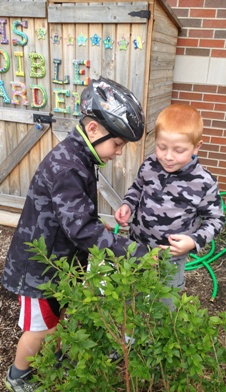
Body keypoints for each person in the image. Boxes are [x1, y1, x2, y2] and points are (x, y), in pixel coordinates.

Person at [2, 76, 149, 392]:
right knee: (38, 328)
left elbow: (73, 212)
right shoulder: (69, 164)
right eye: (118, 144)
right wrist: (134, 251)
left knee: (53, 319)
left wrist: (100, 225)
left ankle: (51, 358)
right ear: (94, 130)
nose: (118, 153)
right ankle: (18, 376)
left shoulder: (80, 156)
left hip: (57, 262)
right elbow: (80, 228)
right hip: (38, 268)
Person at [115, 103, 225, 309]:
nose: (168, 156)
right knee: (129, 295)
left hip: (170, 258)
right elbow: (137, 187)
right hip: (137, 248)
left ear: (197, 146)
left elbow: (216, 219)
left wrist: (193, 241)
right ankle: (128, 334)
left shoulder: (204, 182)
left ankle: (160, 337)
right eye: (161, 147)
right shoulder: (149, 165)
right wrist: (127, 204)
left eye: (179, 150)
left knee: (165, 304)